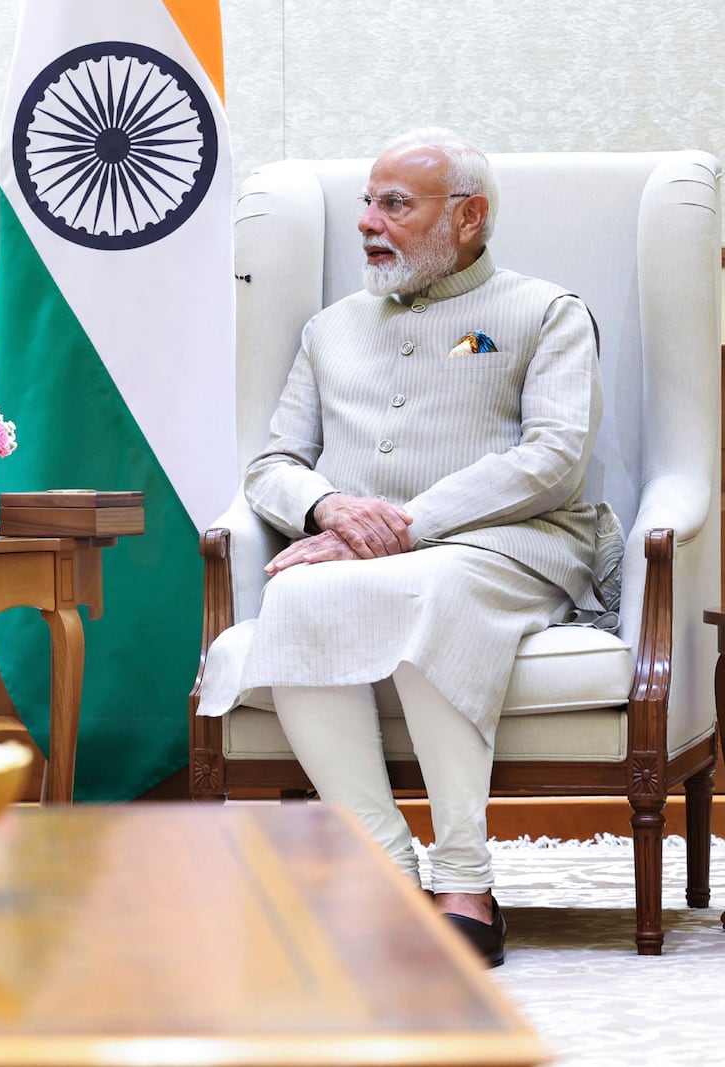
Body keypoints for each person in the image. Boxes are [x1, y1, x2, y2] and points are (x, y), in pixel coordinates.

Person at [197, 128, 605, 967]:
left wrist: (404, 527)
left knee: (431, 585)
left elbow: (555, 458)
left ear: (468, 217)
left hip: (514, 546)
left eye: (395, 205)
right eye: (367, 202)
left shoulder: (546, 311)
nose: (368, 223)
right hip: (353, 552)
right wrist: (329, 508)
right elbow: (273, 464)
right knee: (296, 595)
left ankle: (465, 877)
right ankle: (383, 867)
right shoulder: (329, 330)